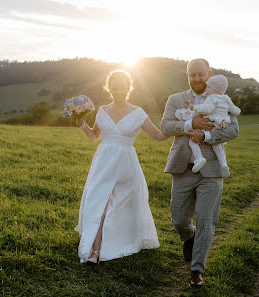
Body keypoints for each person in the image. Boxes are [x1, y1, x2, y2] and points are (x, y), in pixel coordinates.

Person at [74, 70, 169, 264]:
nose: (119, 91)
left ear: (129, 88)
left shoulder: (138, 113)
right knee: (98, 201)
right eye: (115, 87)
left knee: (127, 203)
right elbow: (95, 137)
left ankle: (119, 240)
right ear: (109, 88)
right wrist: (83, 125)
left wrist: (178, 127)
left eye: (123, 87)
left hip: (126, 162)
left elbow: (158, 136)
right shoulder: (102, 110)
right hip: (104, 160)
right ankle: (95, 251)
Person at [160, 59, 239, 286]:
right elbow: (165, 127)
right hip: (183, 167)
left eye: (200, 74)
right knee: (178, 219)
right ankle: (189, 237)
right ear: (187, 75)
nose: (196, 78)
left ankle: (197, 270)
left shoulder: (220, 98)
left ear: (209, 74)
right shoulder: (175, 100)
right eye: (192, 74)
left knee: (207, 221)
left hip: (212, 169)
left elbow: (234, 129)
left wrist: (206, 136)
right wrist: (190, 123)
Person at [175, 74, 241, 177]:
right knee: (217, 145)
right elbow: (235, 110)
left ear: (215, 89)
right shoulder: (226, 98)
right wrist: (238, 110)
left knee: (192, 141)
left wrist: (194, 107)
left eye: (209, 87)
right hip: (221, 123)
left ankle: (199, 158)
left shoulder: (212, 98)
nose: (207, 89)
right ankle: (224, 165)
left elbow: (207, 109)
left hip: (210, 121)